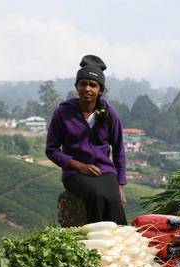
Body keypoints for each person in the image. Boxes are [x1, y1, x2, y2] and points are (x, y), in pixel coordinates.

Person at [46, 54, 128, 225]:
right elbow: (51, 149)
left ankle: (120, 241)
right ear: (76, 86)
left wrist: (120, 185)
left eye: (93, 85)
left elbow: (119, 148)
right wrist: (79, 166)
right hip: (74, 173)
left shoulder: (108, 114)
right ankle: (96, 244)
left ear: (100, 90)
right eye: (83, 83)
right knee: (96, 195)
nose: (87, 89)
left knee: (113, 200)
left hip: (105, 171)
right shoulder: (63, 113)